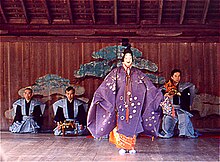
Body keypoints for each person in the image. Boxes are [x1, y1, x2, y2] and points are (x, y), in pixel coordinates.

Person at [87, 46, 163, 154]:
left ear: (132, 59)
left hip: (135, 105)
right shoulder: (116, 72)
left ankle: (131, 146)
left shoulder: (138, 73)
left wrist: (157, 95)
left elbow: (148, 86)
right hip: (121, 104)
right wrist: (100, 95)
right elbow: (107, 86)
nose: (128, 59)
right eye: (126, 57)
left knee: (133, 124)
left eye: (130, 57)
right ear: (123, 58)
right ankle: (122, 146)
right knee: (121, 125)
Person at [159, 69, 198, 138]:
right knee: (167, 121)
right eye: (176, 76)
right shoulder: (166, 87)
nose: (177, 78)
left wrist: (179, 94)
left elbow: (188, 98)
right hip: (170, 109)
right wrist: (166, 95)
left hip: (181, 108)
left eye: (179, 76)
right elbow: (160, 97)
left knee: (184, 117)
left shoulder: (184, 87)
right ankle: (168, 132)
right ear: (172, 77)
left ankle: (184, 134)